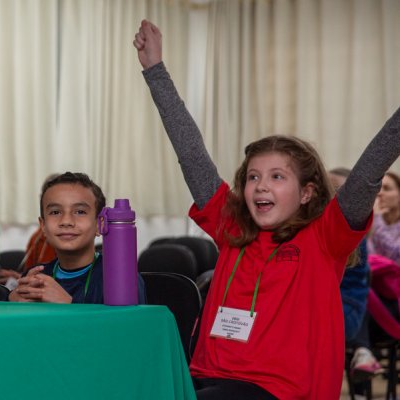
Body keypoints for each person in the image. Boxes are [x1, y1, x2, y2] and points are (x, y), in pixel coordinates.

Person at [135, 19, 400, 399]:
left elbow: (370, 170)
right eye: (253, 177)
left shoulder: (325, 238)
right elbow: (190, 153)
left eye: (277, 177)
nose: (261, 185)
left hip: (280, 390)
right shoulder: (232, 229)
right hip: (208, 373)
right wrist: (155, 72)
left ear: (307, 192)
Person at [8, 172, 145, 304]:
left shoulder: (120, 278)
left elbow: (128, 326)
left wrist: (69, 303)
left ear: (99, 224)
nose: (66, 221)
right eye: (55, 212)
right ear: (43, 226)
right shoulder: (36, 277)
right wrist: (11, 300)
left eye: (80, 212)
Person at [330, 168, 383, 383]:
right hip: (344, 306)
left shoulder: (347, 229)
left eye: (339, 192)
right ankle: (363, 352)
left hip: (345, 310)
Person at [0, 173, 58, 288]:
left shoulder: (66, 238)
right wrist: (19, 278)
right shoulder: (37, 237)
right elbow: (31, 274)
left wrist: (21, 279)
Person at [368, 171, 400, 264]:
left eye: (386, 188)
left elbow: (395, 255)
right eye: (377, 189)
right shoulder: (371, 221)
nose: (379, 193)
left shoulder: (376, 221)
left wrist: (376, 219)